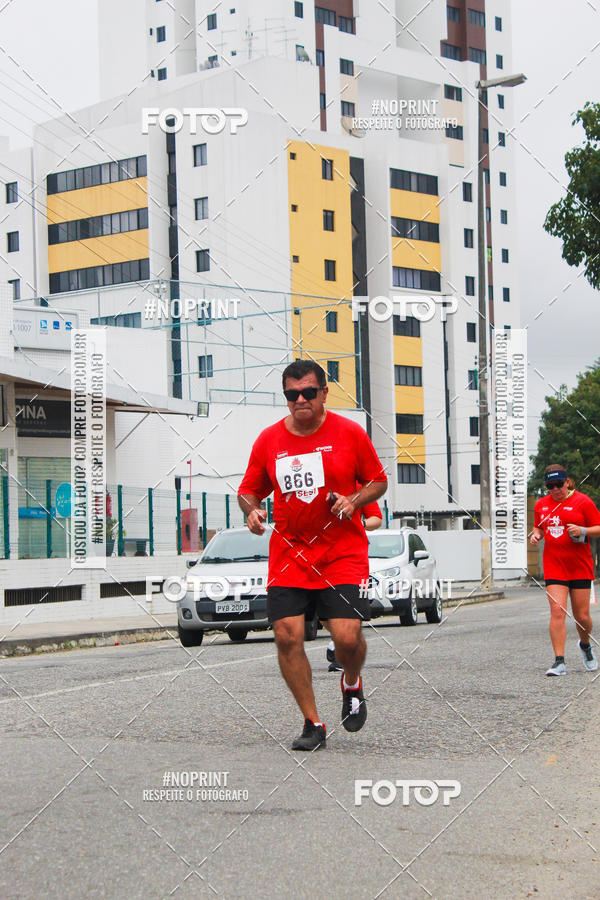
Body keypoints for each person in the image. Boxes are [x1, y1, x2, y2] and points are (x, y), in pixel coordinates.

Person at [238, 360, 387, 750]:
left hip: (342, 553)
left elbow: (378, 481)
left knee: (347, 637)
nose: (300, 400)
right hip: (290, 554)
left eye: (307, 392)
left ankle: (351, 682)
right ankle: (312, 723)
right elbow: (248, 490)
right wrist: (251, 510)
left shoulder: (349, 433)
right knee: (287, 636)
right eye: (292, 394)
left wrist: (353, 500)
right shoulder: (269, 440)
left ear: (324, 392)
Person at [530, 465, 600, 675]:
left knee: (582, 616)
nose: (555, 489)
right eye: (550, 486)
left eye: (559, 484)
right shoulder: (541, 505)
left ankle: (585, 645)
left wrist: (583, 530)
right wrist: (536, 534)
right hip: (555, 567)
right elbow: (538, 526)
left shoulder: (583, 501)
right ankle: (559, 661)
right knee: (557, 611)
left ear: (567, 482)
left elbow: (598, 527)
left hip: (580, 566)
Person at [326, 496, 382, 672]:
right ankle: (338, 639)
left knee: (350, 610)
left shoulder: (362, 489)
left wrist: (360, 523)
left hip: (352, 560)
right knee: (324, 612)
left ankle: (343, 650)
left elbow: (376, 519)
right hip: (321, 556)